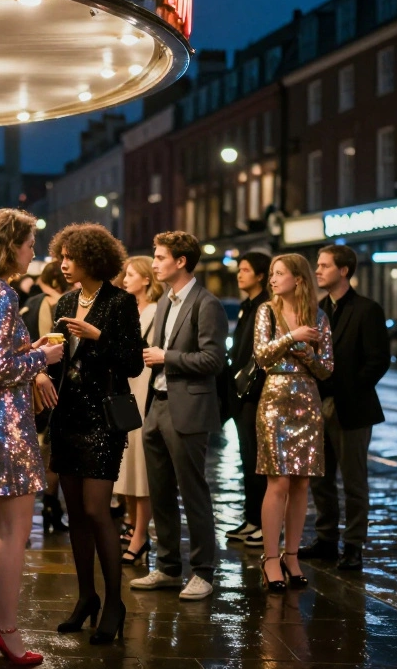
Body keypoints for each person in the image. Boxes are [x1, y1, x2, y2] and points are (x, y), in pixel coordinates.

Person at [0, 208, 64, 667]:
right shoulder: (1, 293)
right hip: (6, 417)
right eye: (28, 244)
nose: (33, 252)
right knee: (16, 533)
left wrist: (30, 350)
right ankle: (7, 630)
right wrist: (46, 358)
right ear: (9, 246)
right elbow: (1, 368)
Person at [42, 224, 143, 645]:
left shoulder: (120, 303)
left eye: (72, 258)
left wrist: (98, 338)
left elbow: (134, 363)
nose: (64, 265)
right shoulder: (65, 301)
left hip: (103, 421)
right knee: (76, 514)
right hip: (66, 419)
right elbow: (61, 363)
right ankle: (86, 598)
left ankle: (115, 603)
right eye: (61, 257)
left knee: (98, 510)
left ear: (93, 259)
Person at [129, 231, 227, 602]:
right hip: (158, 403)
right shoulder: (168, 302)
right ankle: (168, 567)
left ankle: (203, 571)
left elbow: (214, 360)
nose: (153, 263)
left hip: (189, 408)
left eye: (160, 257)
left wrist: (165, 358)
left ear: (181, 261)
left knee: (193, 491)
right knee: (160, 491)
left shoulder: (206, 303)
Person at [300, 245, 390, 572]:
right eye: (317, 265)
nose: (318, 271)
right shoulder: (317, 309)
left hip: (352, 408)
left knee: (354, 482)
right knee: (320, 480)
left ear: (344, 271)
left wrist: (345, 391)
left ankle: (353, 546)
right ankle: (326, 539)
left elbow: (378, 361)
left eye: (324, 266)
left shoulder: (367, 310)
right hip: (317, 406)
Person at [254, 254, 333, 592]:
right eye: (272, 273)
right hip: (274, 401)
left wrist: (309, 354)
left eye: (279, 273)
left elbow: (327, 368)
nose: (273, 279)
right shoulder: (266, 312)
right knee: (279, 482)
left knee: (302, 483)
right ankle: (270, 558)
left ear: (298, 279)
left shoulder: (319, 316)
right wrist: (291, 337)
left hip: (307, 401)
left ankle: (292, 554)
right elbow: (260, 356)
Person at [116, 256, 162, 564]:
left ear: (146, 279)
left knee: (142, 467)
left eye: (131, 274)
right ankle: (132, 524)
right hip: (126, 388)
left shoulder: (157, 310)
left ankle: (141, 533)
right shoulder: (126, 308)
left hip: (145, 386)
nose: (124, 279)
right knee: (126, 465)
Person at [224, 251, 271, 549]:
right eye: (239, 269)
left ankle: (262, 524)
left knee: (257, 461)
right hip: (240, 393)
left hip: (254, 393)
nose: (240, 274)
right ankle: (252, 519)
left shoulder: (265, 307)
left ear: (260, 275)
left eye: (245, 270)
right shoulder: (247, 306)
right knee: (247, 459)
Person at [20, 261, 70, 534]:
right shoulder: (51, 303)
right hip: (47, 382)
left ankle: (48, 506)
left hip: (35, 380)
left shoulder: (30, 301)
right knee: (49, 448)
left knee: (47, 447)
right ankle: (49, 505)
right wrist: (40, 367)